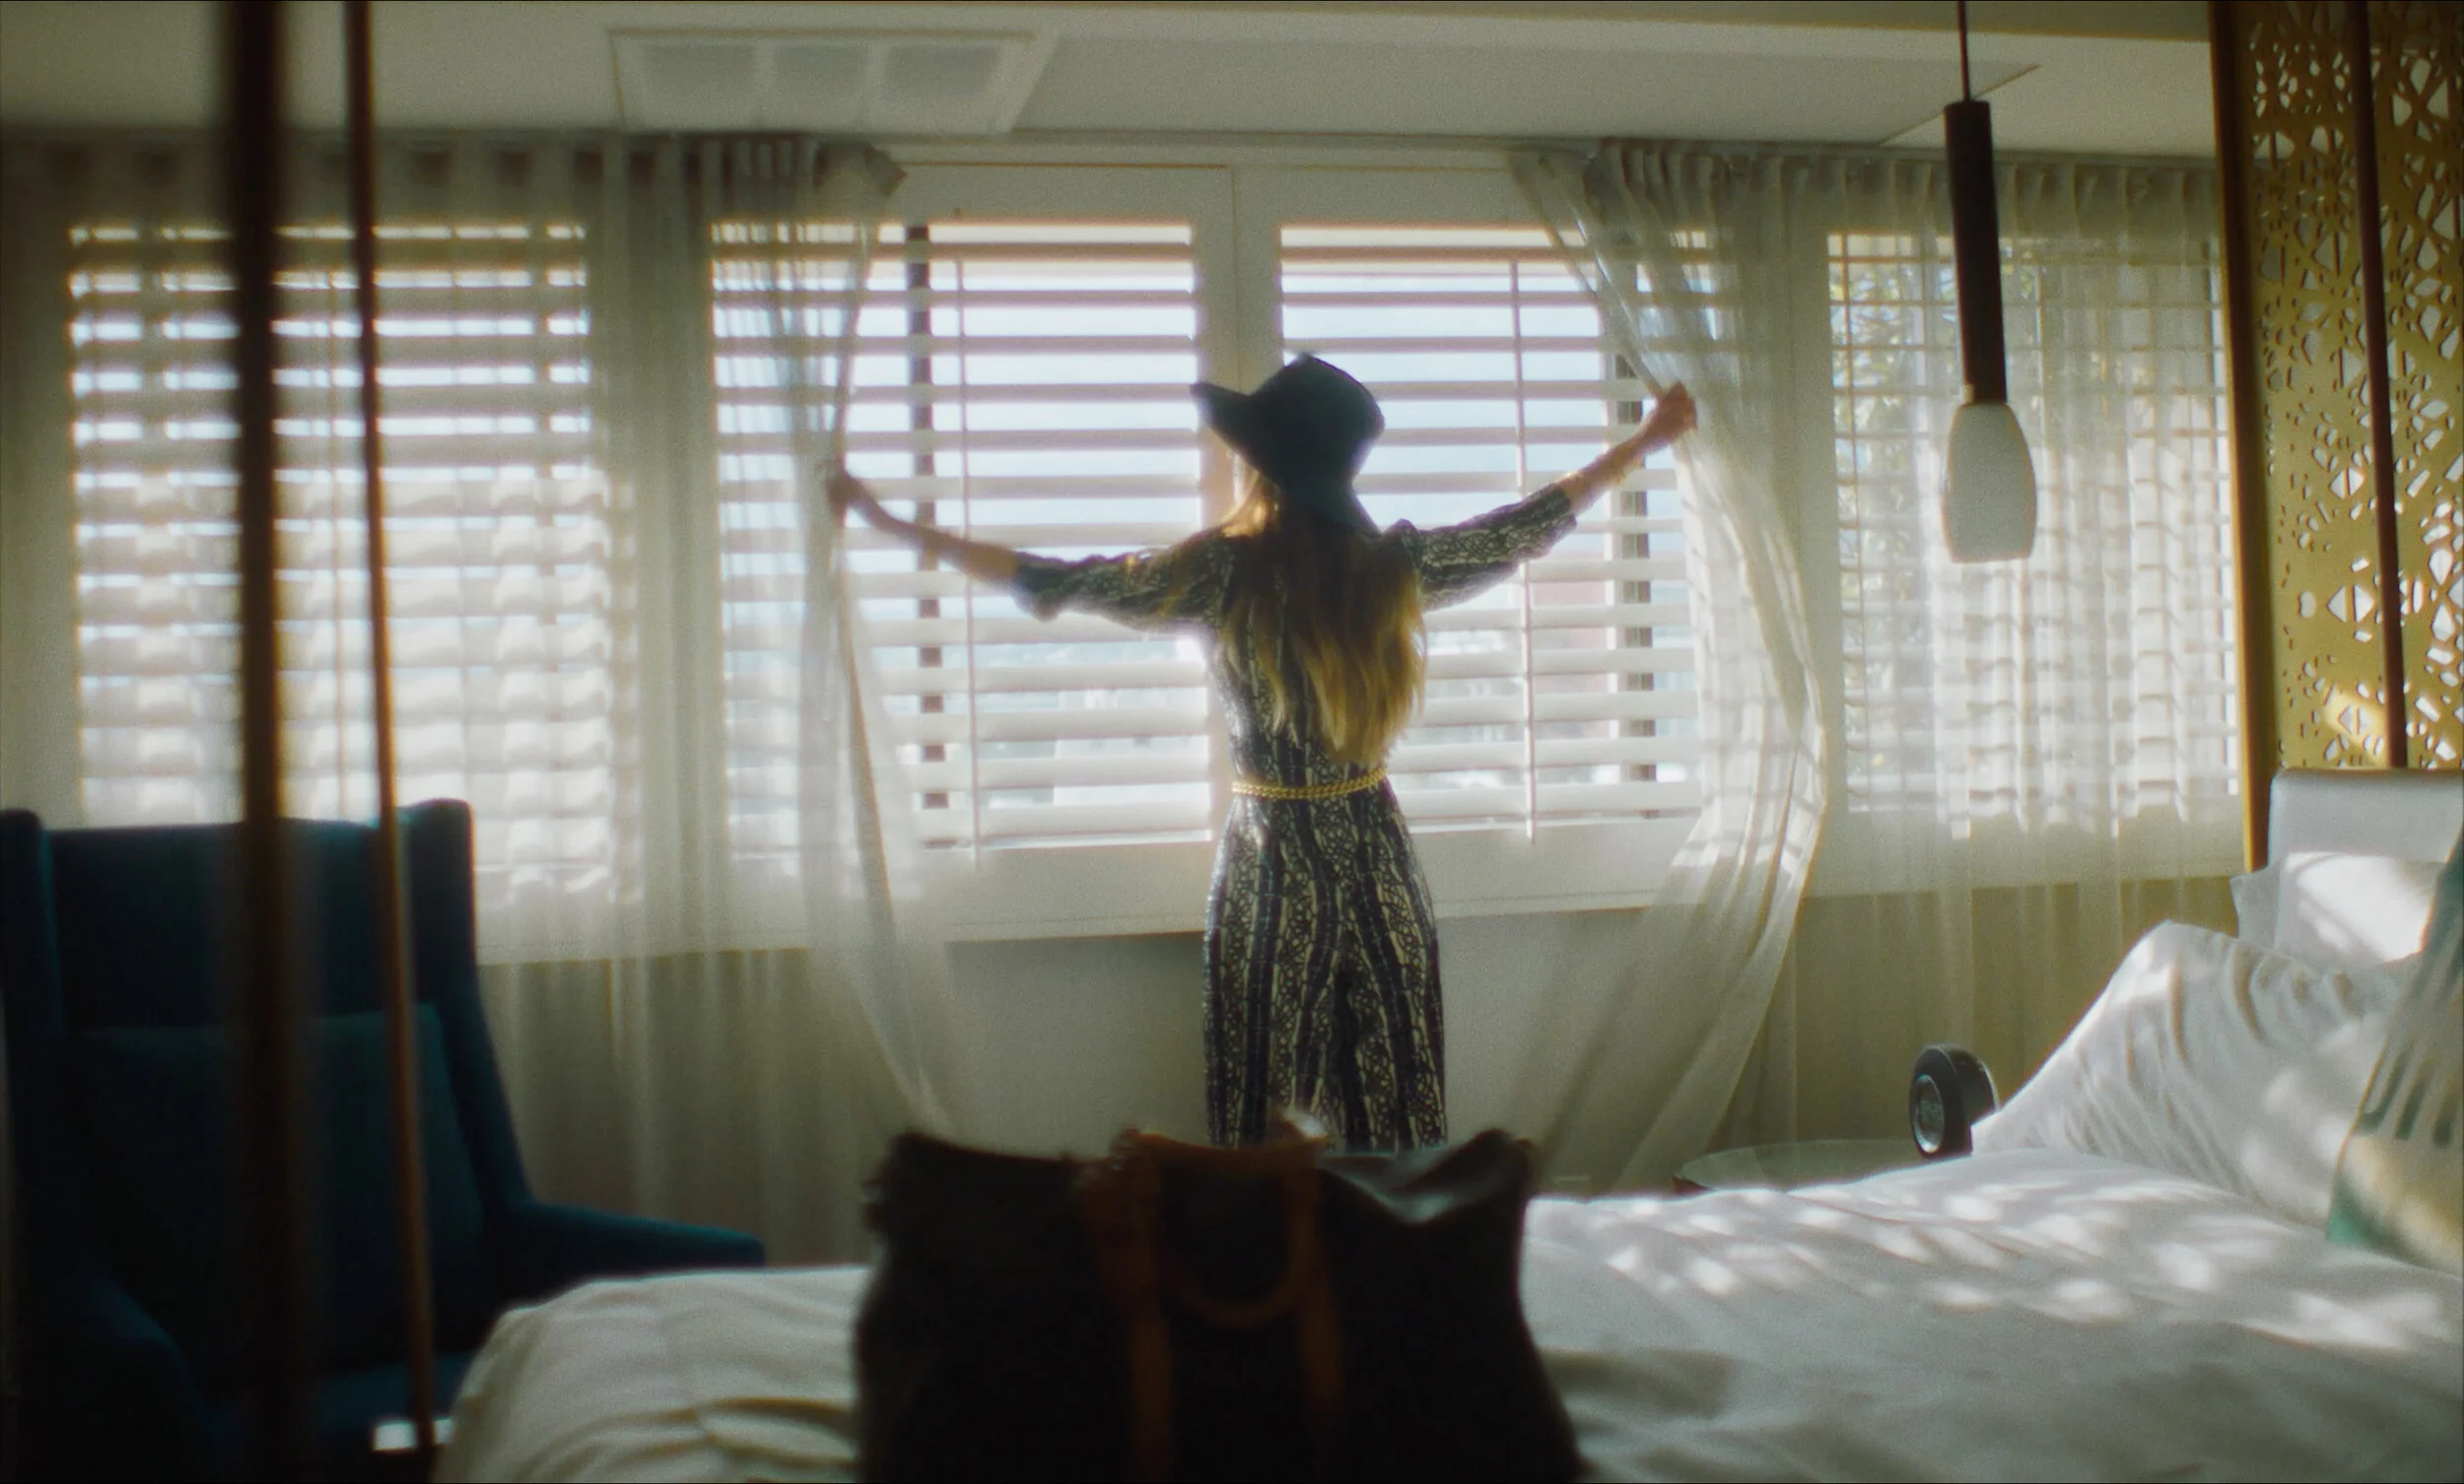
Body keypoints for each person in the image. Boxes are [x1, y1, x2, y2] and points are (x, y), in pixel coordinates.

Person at [830, 356, 1695, 1151]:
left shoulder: (1226, 573)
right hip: (1372, 846)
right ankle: (1395, 1252)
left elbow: (1060, 579)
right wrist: (1645, 440)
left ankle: (1272, 1260)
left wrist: (887, 522)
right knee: (1393, 1093)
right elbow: (1526, 527)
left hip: (1274, 856)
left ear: (1259, 467)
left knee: (1266, 1106)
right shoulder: (1386, 568)